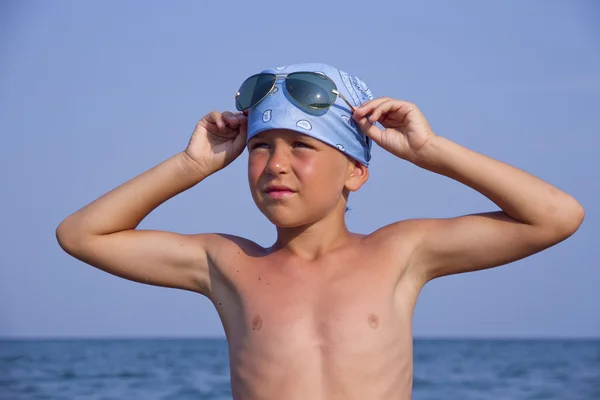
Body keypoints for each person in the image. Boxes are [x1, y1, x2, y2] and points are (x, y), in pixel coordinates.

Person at [56, 63, 584, 400]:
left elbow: (556, 215)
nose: (275, 166)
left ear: (355, 171)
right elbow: (82, 235)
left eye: (302, 147)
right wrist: (190, 166)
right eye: (261, 147)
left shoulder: (401, 251)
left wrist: (431, 151)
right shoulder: (227, 263)